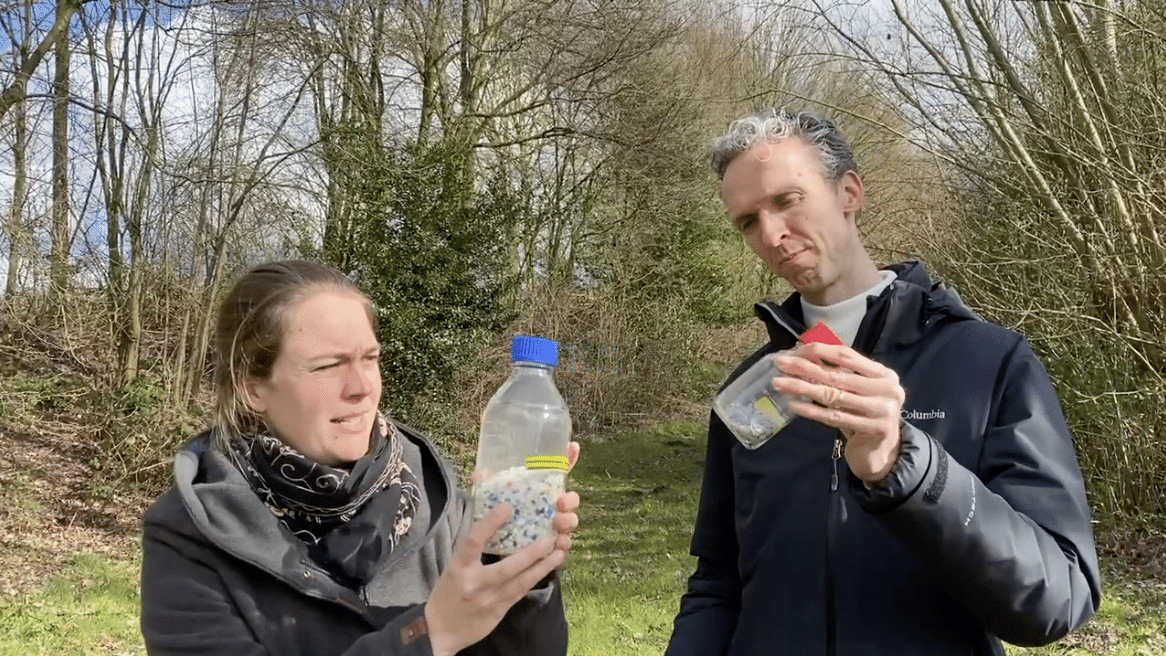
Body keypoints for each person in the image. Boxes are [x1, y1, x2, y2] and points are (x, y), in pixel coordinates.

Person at [665, 108, 1101, 655]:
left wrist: (908, 467)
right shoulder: (751, 391)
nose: (771, 234)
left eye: (786, 200)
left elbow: (1058, 598)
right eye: (748, 221)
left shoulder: (987, 362)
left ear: (849, 191)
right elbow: (717, 584)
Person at [140, 260, 580, 656]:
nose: (362, 387)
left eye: (370, 358)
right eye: (327, 366)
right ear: (253, 388)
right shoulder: (191, 538)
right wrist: (429, 634)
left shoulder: (435, 500)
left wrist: (522, 568)